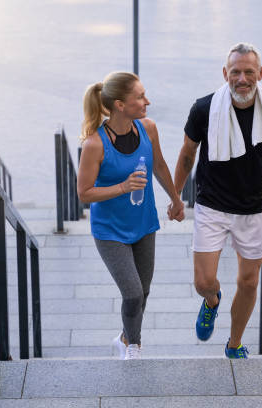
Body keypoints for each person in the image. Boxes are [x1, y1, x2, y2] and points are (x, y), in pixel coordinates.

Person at [173, 43, 262, 359]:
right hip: (211, 203)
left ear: (261, 73)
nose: (242, 79)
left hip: (253, 208)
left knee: (248, 282)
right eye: (235, 72)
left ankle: (234, 344)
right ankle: (212, 301)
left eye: (248, 72)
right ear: (224, 74)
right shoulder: (204, 109)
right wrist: (175, 196)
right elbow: (187, 154)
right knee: (203, 281)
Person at [78, 72, 185, 360]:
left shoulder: (148, 129)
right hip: (110, 231)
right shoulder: (95, 145)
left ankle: (124, 336)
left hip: (143, 223)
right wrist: (123, 187)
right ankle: (133, 347)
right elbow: (84, 193)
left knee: (143, 290)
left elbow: (160, 165)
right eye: (139, 97)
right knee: (133, 293)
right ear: (119, 105)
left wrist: (176, 200)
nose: (147, 101)